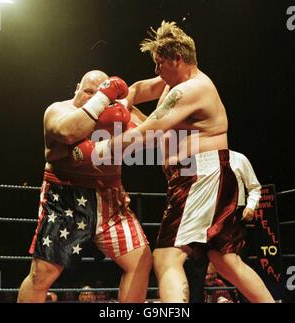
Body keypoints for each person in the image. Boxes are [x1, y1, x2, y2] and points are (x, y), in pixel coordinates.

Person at [92, 21, 275, 303]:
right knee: (225, 259)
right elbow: (139, 88)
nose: (156, 71)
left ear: (178, 59)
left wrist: (97, 149)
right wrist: (123, 105)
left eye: (160, 63)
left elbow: (146, 134)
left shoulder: (190, 89)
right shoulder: (172, 83)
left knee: (166, 258)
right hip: (201, 175)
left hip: (198, 176)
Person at [17, 70, 152, 303]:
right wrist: (104, 98)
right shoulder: (59, 110)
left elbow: (152, 133)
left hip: (110, 198)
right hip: (66, 197)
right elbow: (69, 133)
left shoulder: (118, 114)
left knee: (140, 261)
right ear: (77, 88)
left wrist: (129, 120)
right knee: (42, 274)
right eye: (89, 91)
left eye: (100, 94)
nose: (93, 98)